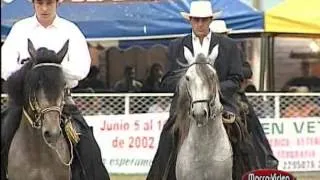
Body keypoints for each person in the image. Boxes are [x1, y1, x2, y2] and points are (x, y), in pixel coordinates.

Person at [1, 0, 110, 179]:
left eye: (49, 3)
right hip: (24, 102)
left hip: (62, 101)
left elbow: (82, 67)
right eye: (40, 3)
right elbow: (5, 65)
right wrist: (29, 74)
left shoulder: (71, 31)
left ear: (57, 3)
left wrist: (52, 72)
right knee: (4, 132)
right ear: (33, 3)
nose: (44, 8)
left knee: (88, 145)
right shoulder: (19, 29)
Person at [147, 1, 247, 179]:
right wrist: (189, 86)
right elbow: (168, 80)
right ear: (190, 21)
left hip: (221, 102)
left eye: (204, 20)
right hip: (186, 104)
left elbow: (236, 78)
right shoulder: (177, 46)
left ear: (210, 20)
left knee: (241, 131)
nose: (200, 24)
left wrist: (213, 90)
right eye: (196, 20)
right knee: (169, 137)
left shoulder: (228, 45)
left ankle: (245, 171)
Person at [210, 19, 279, 172]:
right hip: (207, 95)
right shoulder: (203, 52)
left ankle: (264, 159)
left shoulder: (235, 50)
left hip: (233, 95)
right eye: (219, 35)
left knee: (251, 122)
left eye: (223, 35)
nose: (223, 38)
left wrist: (236, 72)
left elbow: (247, 71)